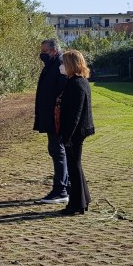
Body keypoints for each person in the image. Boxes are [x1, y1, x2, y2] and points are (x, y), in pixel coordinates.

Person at [58, 50, 94, 215]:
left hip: (75, 132)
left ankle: (76, 204)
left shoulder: (76, 83)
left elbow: (75, 113)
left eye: (64, 63)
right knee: (75, 166)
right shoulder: (79, 81)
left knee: (74, 167)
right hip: (77, 130)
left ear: (71, 65)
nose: (62, 66)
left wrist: (67, 136)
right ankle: (83, 199)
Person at [33, 39, 69, 204]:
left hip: (56, 117)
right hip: (51, 116)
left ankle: (61, 190)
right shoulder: (53, 63)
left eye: (45, 51)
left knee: (57, 151)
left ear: (54, 50)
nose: (42, 54)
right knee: (56, 150)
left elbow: (63, 91)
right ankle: (65, 186)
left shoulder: (60, 63)